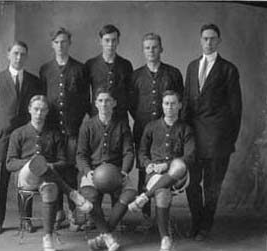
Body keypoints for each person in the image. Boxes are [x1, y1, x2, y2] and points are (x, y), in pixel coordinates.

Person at [6, 95, 93, 251]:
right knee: (37, 162)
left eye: (43, 110)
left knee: (51, 188)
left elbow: (63, 161)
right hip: (25, 178)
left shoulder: (53, 134)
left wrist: (49, 165)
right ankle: (71, 193)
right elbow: (10, 164)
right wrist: (30, 163)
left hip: (47, 177)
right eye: (36, 109)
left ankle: (47, 237)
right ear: (29, 110)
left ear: (47, 112)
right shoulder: (18, 133)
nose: (39, 113)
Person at [182, 23, 242, 241]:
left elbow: (236, 110)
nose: (208, 42)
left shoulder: (228, 69)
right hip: (193, 138)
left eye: (213, 39)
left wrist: (228, 141)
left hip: (217, 139)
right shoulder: (191, 66)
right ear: (200, 40)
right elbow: (187, 102)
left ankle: (206, 225)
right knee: (192, 183)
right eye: (205, 38)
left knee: (212, 186)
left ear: (219, 41)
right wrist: (182, 135)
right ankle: (196, 221)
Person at [0, 41, 43, 234]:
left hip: (25, 139)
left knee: (25, 179)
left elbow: (37, 109)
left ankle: (25, 219)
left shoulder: (34, 81)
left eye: (23, 54)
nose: (19, 58)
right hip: (1, 138)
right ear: (8, 54)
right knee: (0, 182)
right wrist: (0, 131)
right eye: (16, 53)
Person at [128, 90, 195, 251]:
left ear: (179, 106)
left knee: (178, 165)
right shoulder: (151, 127)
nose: (169, 107)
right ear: (162, 105)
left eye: (173, 104)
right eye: (166, 103)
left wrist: (167, 165)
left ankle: (144, 196)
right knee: (162, 191)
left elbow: (190, 156)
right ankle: (165, 238)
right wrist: (147, 163)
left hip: (178, 174)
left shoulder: (186, 129)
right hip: (154, 174)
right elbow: (142, 151)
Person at [129, 33, 184, 223]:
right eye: (147, 48)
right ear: (143, 51)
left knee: (169, 167)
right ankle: (145, 216)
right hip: (143, 129)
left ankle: (163, 214)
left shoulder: (173, 73)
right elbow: (131, 103)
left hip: (168, 129)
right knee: (145, 170)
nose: (151, 51)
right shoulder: (135, 75)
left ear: (161, 49)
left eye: (154, 47)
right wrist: (146, 123)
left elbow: (180, 100)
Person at [39, 27, 90, 231]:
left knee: (70, 171)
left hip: (72, 131)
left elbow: (85, 100)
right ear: (52, 44)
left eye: (64, 42)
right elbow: (42, 99)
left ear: (70, 43)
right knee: (54, 170)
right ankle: (58, 211)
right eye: (57, 42)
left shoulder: (79, 69)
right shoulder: (45, 69)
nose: (60, 45)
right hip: (51, 132)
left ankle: (73, 213)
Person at [76, 87, 137, 251]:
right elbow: (81, 155)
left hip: (117, 172)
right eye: (101, 101)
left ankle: (103, 235)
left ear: (114, 103)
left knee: (130, 193)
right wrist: (88, 171)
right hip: (93, 171)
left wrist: (124, 171)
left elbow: (129, 152)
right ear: (96, 103)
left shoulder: (122, 125)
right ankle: (108, 236)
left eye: (108, 100)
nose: (104, 104)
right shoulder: (87, 126)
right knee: (89, 196)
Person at [85, 24, 133, 121]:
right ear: (101, 42)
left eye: (114, 40)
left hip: (119, 117)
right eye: (107, 40)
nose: (110, 44)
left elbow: (130, 94)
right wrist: (92, 112)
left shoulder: (125, 65)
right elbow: (84, 94)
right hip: (97, 117)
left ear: (118, 41)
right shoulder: (91, 64)